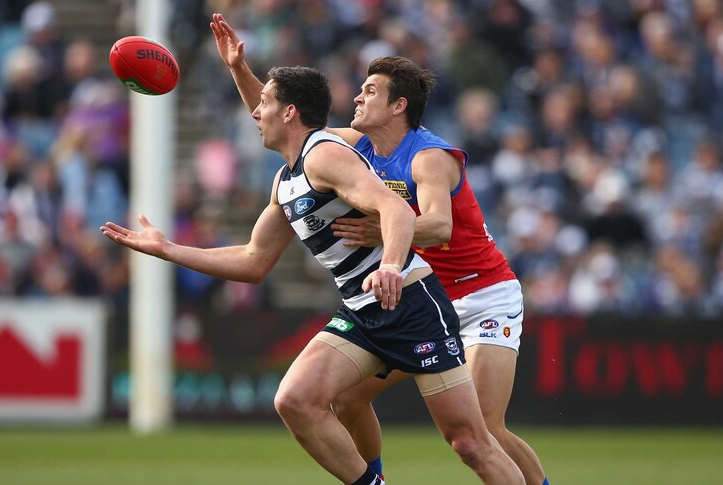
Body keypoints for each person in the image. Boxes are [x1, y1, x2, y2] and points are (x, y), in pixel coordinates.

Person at [102, 60, 524, 484]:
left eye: (264, 103)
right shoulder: (287, 180)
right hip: (363, 309)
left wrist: (392, 266)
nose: (254, 112)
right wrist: (168, 249)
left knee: (473, 443)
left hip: (412, 303)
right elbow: (253, 261)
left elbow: (395, 208)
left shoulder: (327, 155)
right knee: (295, 400)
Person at [211, 13, 549, 485]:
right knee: (347, 398)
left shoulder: (429, 157)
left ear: (398, 106)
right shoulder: (359, 147)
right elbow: (289, 129)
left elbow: (438, 225)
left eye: (370, 90)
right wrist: (239, 70)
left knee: (482, 431)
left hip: (480, 294)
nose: (357, 96)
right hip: (416, 296)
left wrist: (384, 232)